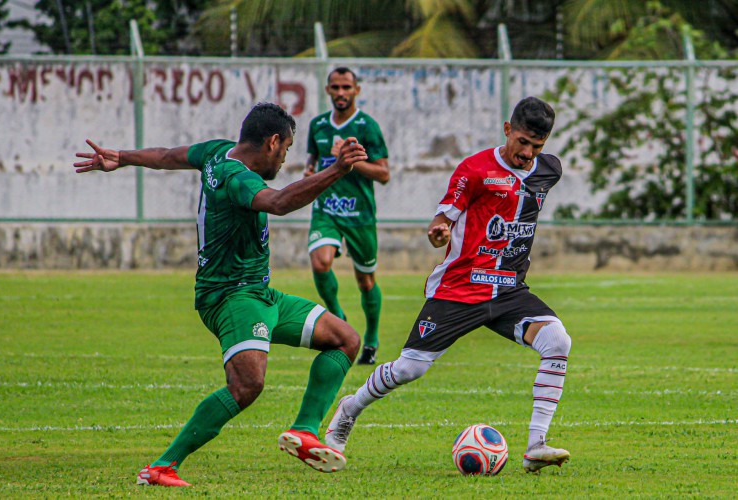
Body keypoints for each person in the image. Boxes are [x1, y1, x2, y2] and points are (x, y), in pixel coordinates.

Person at [74, 103, 369, 486]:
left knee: (344, 339)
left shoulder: (216, 152)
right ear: (272, 142)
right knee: (247, 385)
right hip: (231, 296)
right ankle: (161, 467)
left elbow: (167, 156)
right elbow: (278, 203)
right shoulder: (237, 176)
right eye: (286, 150)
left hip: (259, 293)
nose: (284, 159)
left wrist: (122, 157)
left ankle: (304, 431)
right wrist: (337, 170)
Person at [324, 97, 573, 473]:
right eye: (522, 142)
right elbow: (442, 218)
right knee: (410, 369)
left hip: (508, 290)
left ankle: (536, 444)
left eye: (537, 146)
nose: (528, 153)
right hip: (460, 289)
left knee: (558, 340)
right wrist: (439, 232)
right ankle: (350, 408)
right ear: (508, 130)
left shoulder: (548, 170)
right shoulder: (474, 170)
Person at [304, 67, 390, 365]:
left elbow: (383, 173)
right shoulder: (317, 126)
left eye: (346, 87)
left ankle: (372, 339)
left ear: (356, 91)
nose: (341, 93)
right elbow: (313, 162)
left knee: (366, 280)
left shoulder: (367, 126)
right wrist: (310, 172)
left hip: (359, 213)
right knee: (320, 261)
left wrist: (350, 161)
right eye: (336, 87)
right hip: (326, 208)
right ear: (327, 90)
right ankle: (337, 316)